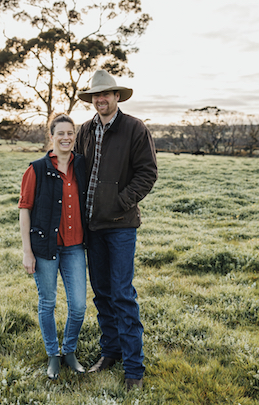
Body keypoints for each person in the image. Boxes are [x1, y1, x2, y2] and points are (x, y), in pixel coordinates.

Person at [75, 69, 158, 391]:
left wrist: (120, 202)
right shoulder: (84, 130)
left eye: (106, 94)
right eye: (96, 95)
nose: (101, 100)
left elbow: (147, 173)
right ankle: (110, 352)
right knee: (103, 295)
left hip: (121, 226)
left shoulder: (135, 129)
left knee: (123, 294)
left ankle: (134, 368)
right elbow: (77, 170)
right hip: (92, 227)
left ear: (117, 96)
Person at [18, 114, 87, 380]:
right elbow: (25, 210)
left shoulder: (82, 166)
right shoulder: (35, 169)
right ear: (52, 136)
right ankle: (53, 356)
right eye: (60, 133)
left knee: (79, 306)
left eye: (70, 133)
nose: (66, 138)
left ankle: (69, 351)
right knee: (47, 303)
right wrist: (27, 251)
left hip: (74, 248)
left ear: (74, 135)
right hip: (45, 249)